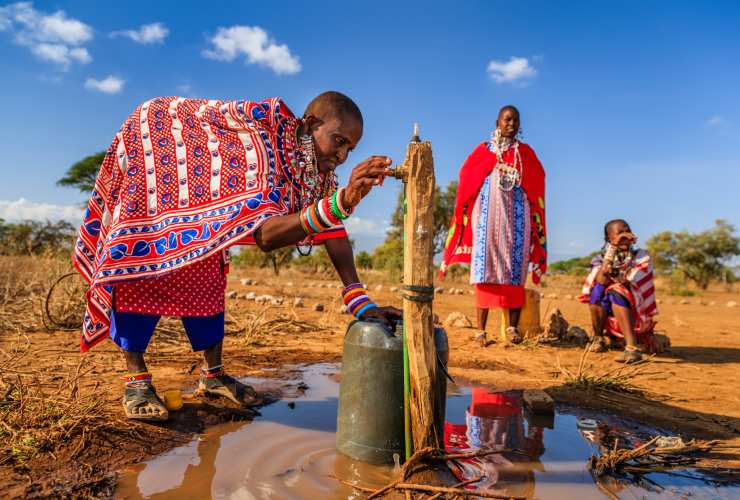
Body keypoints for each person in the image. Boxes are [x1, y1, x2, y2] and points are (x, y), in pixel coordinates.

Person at [73, 91, 401, 421]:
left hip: (199, 207)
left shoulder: (318, 172)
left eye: (350, 149)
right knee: (142, 267)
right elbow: (266, 235)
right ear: (313, 124)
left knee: (206, 279)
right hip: (158, 169)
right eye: (339, 141)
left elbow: (332, 231)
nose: (343, 156)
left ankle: (212, 375)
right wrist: (342, 202)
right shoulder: (263, 143)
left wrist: (360, 302)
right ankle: (137, 381)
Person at [440, 105, 547, 346]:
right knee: (485, 270)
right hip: (488, 218)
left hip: (517, 218)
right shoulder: (485, 150)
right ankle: (481, 331)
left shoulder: (525, 153)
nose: (512, 124)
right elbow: (467, 175)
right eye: (507, 119)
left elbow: (538, 177)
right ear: (497, 122)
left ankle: (512, 328)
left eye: (516, 120)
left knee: (515, 270)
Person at [578, 219, 658, 363]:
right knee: (596, 290)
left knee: (617, 290)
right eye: (620, 233)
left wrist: (614, 275)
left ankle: (631, 348)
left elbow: (629, 282)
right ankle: (598, 337)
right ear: (609, 238)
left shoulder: (641, 256)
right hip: (611, 317)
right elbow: (601, 280)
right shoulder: (601, 259)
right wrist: (613, 248)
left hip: (636, 313)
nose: (625, 235)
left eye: (627, 231)